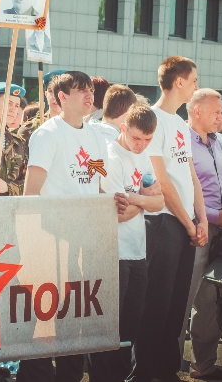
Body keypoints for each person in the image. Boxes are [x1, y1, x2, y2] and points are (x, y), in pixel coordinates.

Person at [21, 70, 129, 382]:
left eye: (90, 89)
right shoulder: (48, 135)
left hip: (85, 238)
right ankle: (36, 377)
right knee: (44, 315)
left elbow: (96, 181)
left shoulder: (95, 135)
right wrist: (34, 240)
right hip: (50, 237)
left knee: (76, 313)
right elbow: (31, 192)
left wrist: (112, 201)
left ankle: (69, 375)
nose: (88, 95)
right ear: (61, 98)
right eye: (80, 90)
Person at [132, 56, 207, 382]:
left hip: (185, 224)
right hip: (163, 223)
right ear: (179, 82)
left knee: (176, 304)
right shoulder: (153, 120)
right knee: (157, 305)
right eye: (193, 80)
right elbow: (161, 180)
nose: (196, 86)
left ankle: (165, 370)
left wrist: (201, 219)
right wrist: (190, 224)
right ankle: (144, 372)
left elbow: (191, 176)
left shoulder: (179, 123)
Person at [88, 103, 164, 382]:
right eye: (136, 138)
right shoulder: (110, 157)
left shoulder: (143, 157)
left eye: (147, 139)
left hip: (137, 252)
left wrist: (136, 199)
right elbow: (116, 214)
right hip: (114, 252)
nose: (141, 144)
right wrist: (144, 200)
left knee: (129, 329)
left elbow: (160, 202)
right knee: (108, 328)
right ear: (123, 128)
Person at [178, 89, 222, 381]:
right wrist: (215, 216)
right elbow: (181, 190)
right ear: (197, 111)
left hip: (219, 228)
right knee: (182, 299)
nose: (221, 117)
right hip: (192, 228)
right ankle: (168, 366)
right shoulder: (180, 140)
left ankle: (204, 366)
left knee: (210, 298)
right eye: (216, 112)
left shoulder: (220, 141)